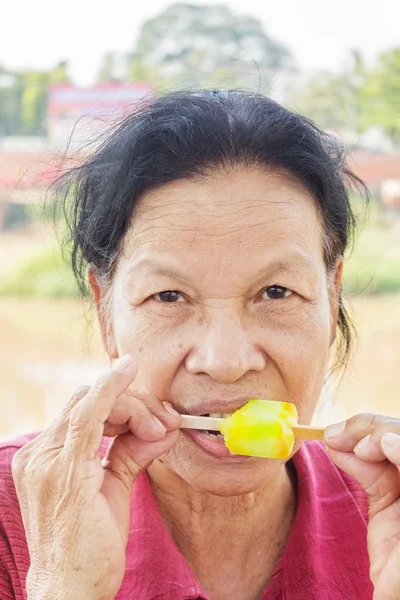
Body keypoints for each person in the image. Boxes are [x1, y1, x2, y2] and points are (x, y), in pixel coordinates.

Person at [0, 90, 399, 600]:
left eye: (276, 292)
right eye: (169, 296)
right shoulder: (15, 517)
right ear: (106, 310)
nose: (225, 363)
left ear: (332, 294)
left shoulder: (387, 516)